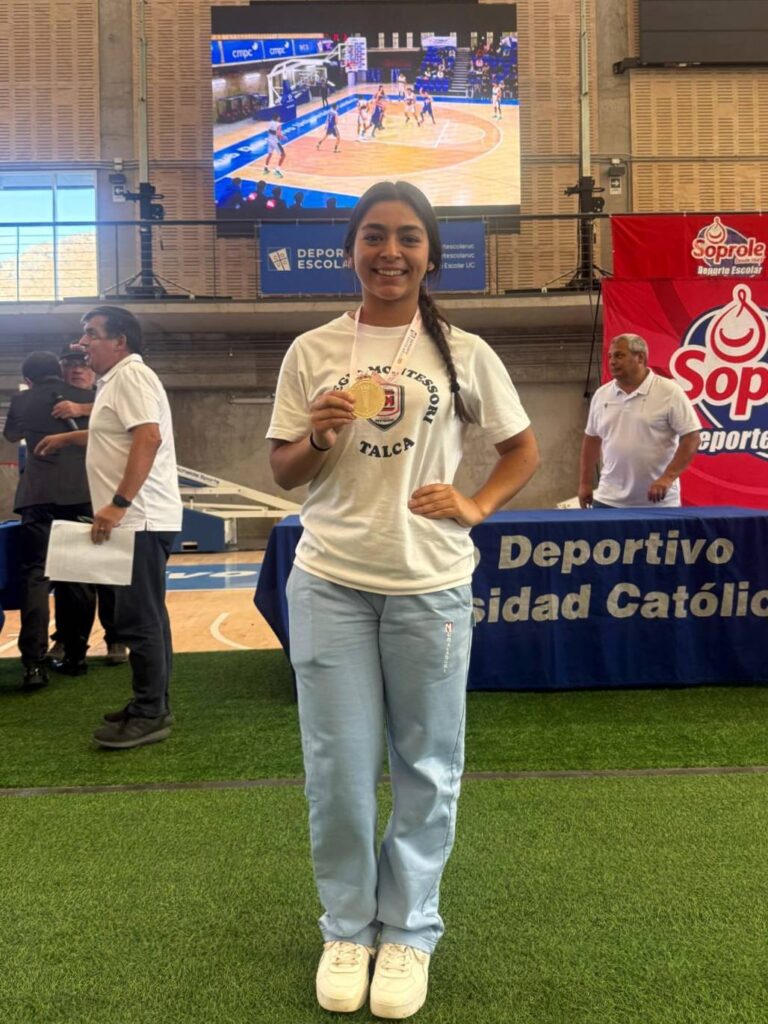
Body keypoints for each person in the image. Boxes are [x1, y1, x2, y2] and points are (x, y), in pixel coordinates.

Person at [267, 181, 539, 1018]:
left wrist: (477, 504)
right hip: (331, 582)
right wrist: (318, 434)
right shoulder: (313, 349)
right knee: (339, 772)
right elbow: (283, 471)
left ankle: (411, 931)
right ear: (351, 249)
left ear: (430, 254)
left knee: (426, 768)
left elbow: (522, 449)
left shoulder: (464, 351)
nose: (391, 252)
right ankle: (348, 928)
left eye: (409, 238)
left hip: (430, 586)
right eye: (376, 236)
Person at [36, 306, 183, 749]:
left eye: (91, 334)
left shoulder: (131, 377)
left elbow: (148, 437)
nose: (82, 343)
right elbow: (112, 433)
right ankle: (152, 704)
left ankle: (150, 712)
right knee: (148, 617)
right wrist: (67, 437)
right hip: (139, 519)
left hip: (139, 519)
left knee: (139, 620)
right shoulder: (116, 382)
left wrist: (118, 504)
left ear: (120, 341)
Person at [3, 351, 96, 688]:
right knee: (78, 577)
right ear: (60, 370)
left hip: (37, 497)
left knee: (36, 577)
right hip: (80, 495)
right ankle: (76, 656)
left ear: (28, 380)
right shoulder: (87, 398)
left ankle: (34, 665)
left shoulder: (21, 400)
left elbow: (11, 435)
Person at [48, 345, 128, 667]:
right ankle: (66, 637)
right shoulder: (51, 398)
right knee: (68, 575)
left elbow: (123, 415)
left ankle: (116, 637)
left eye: (82, 364)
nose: (77, 370)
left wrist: (80, 408)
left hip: (104, 494)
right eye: (69, 364)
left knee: (109, 571)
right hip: (67, 495)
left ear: (93, 369)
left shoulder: (108, 393)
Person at [579, 333, 701, 508]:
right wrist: (585, 483)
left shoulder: (670, 392)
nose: (612, 361)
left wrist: (667, 478)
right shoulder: (601, 394)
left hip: (658, 503)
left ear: (640, 358)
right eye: (610, 356)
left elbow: (692, 438)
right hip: (608, 499)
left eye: (619, 355)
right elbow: (592, 439)